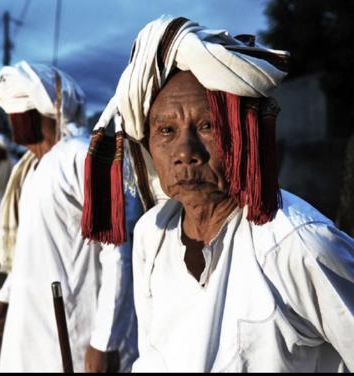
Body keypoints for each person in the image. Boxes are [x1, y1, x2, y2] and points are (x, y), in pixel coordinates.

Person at [84, 15, 354, 372]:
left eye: (207, 126)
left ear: (241, 135)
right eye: (166, 130)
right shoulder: (152, 233)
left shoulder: (297, 243)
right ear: (148, 143)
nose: (185, 151)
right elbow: (153, 357)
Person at [0, 61, 138, 372]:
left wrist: (104, 341)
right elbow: (31, 250)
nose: (13, 121)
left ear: (35, 112)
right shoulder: (32, 168)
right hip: (28, 324)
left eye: (16, 111)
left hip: (72, 330)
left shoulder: (81, 156)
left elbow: (117, 253)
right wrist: (2, 300)